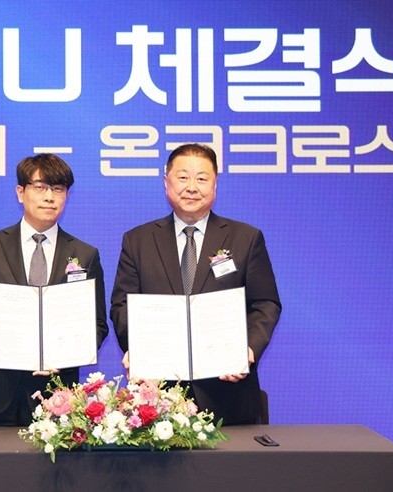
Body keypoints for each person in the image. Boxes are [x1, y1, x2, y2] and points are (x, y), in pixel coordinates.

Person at [110, 143, 281, 425]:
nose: (192, 187)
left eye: (202, 178)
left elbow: (265, 303)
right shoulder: (138, 240)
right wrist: (140, 350)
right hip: (158, 395)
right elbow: (122, 305)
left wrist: (246, 350)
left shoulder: (246, 238)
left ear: (215, 184)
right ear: (166, 182)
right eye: (182, 177)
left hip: (228, 391)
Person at [0, 153, 109, 427]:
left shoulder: (85, 254)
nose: (49, 197)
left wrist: (68, 354)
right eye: (40, 187)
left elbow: (97, 325)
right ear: (20, 192)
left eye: (58, 189)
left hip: (57, 400)